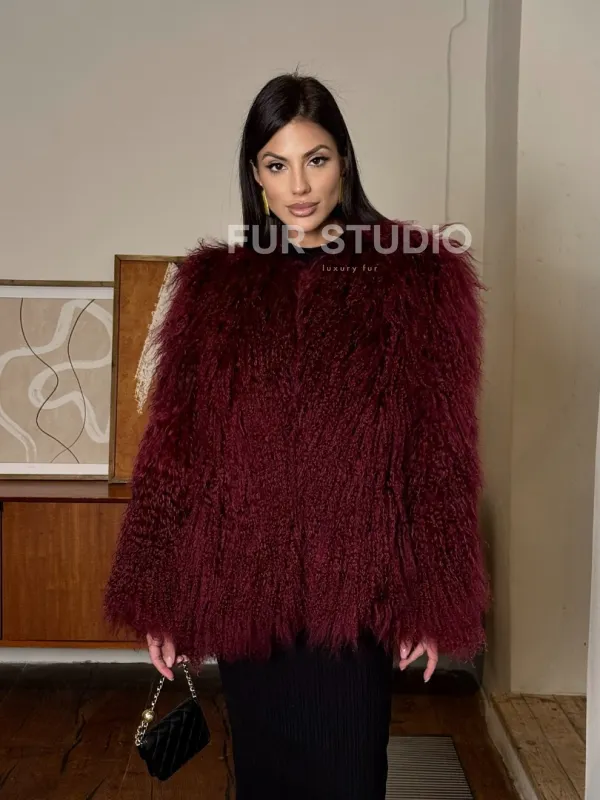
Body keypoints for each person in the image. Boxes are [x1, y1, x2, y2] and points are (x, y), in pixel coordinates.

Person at [103, 71, 491, 799]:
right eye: (276, 165)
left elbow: (439, 449)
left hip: (355, 597)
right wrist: (163, 596)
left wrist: (433, 597)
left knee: (349, 778)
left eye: (316, 159)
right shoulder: (215, 286)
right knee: (265, 782)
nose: (300, 186)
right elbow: (178, 450)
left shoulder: (415, 279)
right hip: (249, 594)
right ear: (255, 175)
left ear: (345, 159)